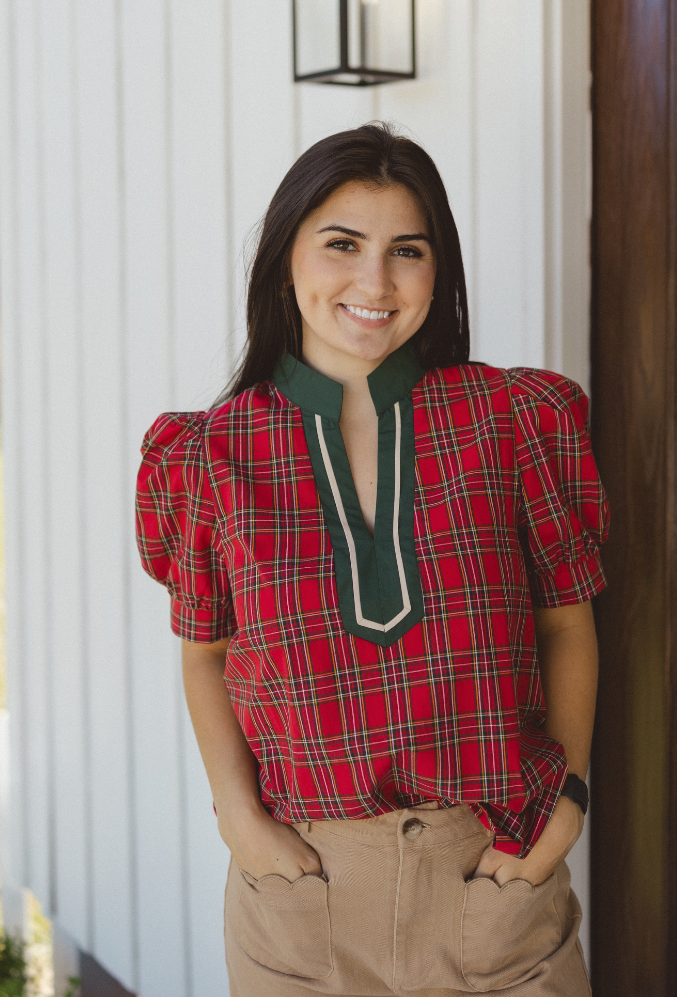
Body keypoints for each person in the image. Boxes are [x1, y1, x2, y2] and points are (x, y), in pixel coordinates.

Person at [135, 122, 608, 997]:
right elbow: (206, 653)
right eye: (343, 244)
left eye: (407, 251)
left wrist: (566, 803)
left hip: (496, 884)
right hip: (303, 902)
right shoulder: (208, 457)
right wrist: (240, 819)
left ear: (438, 272)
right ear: (286, 259)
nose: (375, 282)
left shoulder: (513, 420)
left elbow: (566, 625)